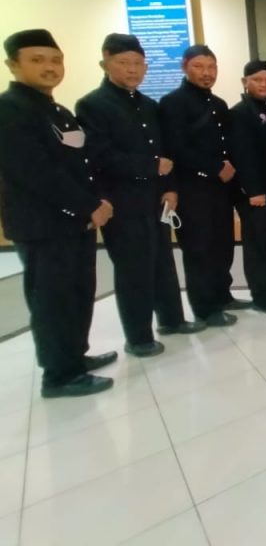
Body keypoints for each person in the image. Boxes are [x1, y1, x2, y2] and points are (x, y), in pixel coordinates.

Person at [0, 29, 116, 397]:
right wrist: (89, 205)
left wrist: (96, 200)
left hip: (76, 222)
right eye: (37, 60)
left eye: (55, 60)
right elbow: (35, 172)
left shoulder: (58, 111)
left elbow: (81, 165)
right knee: (53, 300)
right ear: (13, 65)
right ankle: (59, 376)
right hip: (43, 226)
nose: (49, 67)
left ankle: (74, 357)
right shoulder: (9, 110)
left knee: (78, 293)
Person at [76, 34, 205, 358]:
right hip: (121, 202)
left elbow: (165, 151)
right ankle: (138, 337)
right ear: (105, 64)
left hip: (155, 198)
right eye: (124, 63)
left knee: (163, 262)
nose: (132, 70)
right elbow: (98, 155)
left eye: (137, 63)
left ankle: (172, 320)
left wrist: (170, 187)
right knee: (133, 269)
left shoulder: (148, 105)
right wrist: (150, 166)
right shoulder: (92, 105)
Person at [159, 44, 241, 327]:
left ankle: (222, 296)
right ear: (184, 67)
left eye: (211, 67)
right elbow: (176, 147)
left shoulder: (218, 104)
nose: (206, 73)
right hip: (192, 189)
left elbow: (227, 143)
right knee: (199, 249)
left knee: (223, 244)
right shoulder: (173, 103)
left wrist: (228, 166)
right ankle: (205, 309)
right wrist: (216, 167)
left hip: (219, 188)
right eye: (199, 67)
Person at [230, 60, 266, 313]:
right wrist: (253, 191)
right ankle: (261, 294)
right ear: (245, 82)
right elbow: (242, 156)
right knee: (257, 242)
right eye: (257, 80)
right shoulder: (239, 113)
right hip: (255, 192)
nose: (263, 84)